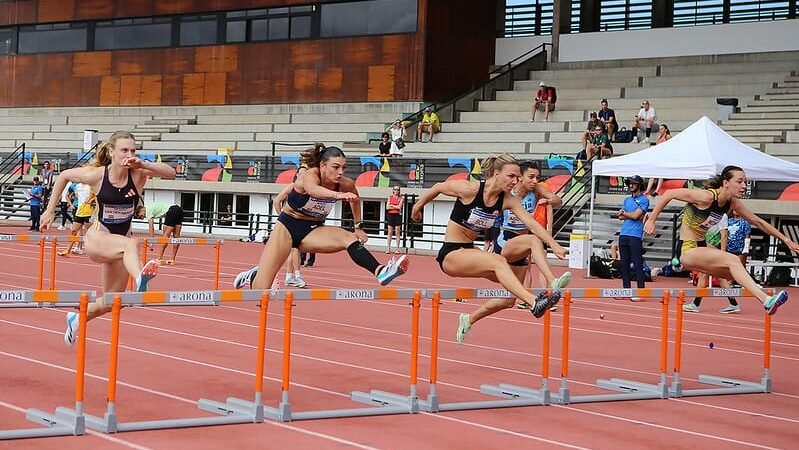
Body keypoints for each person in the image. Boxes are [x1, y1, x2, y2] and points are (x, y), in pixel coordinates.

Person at [410, 154, 567, 345]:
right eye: (511, 176)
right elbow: (438, 188)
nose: (515, 181)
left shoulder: (508, 200)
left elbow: (532, 224)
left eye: (518, 177)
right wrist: (416, 208)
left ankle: (468, 319)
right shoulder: (470, 189)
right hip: (451, 253)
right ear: (496, 173)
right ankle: (535, 302)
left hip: (471, 251)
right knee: (498, 261)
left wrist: (554, 244)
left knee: (510, 297)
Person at [40, 131, 176, 347]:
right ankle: (140, 278)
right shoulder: (97, 175)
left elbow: (171, 173)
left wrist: (144, 163)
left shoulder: (139, 173)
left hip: (121, 245)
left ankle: (77, 319)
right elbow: (64, 175)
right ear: (112, 152)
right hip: (98, 238)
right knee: (131, 244)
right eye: (124, 150)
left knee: (114, 301)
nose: (129, 154)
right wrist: (50, 210)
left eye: (133, 150)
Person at [233, 144, 409, 290]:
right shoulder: (310, 175)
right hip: (287, 227)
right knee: (260, 290)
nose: (340, 172)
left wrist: (358, 226)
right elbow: (313, 190)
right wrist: (337, 196)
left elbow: (356, 201)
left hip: (313, 230)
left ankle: (381, 271)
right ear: (323, 166)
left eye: (343, 167)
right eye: (335, 167)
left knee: (348, 238)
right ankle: (254, 275)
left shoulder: (345, 184)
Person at [645, 165, 798, 315]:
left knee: (732, 274)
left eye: (745, 182)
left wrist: (787, 240)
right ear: (726, 183)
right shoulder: (706, 197)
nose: (744, 186)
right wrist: (652, 220)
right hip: (687, 248)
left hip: (701, 247)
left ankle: (731, 302)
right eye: (739, 181)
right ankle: (766, 301)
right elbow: (669, 194)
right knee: (733, 260)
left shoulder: (732, 203)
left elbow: (759, 222)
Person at [490, 161, 571, 310]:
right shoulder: (509, 191)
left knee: (508, 300)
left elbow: (559, 200)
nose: (535, 181)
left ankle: (469, 319)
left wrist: (550, 200)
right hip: (506, 241)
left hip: (523, 243)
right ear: (520, 177)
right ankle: (553, 281)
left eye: (537, 178)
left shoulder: (536, 190)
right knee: (534, 241)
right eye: (531, 177)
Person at [615, 175, 650, 302]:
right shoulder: (627, 200)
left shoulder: (644, 200)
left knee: (637, 264)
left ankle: (641, 292)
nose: (630, 185)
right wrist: (628, 215)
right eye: (629, 183)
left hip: (635, 235)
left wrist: (626, 214)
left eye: (633, 183)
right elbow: (620, 216)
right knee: (623, 264)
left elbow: (635, 216)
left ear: (639, 185)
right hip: (624, 234)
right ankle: (626, 290)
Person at [272, 181, 307, 287]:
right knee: (296, 249)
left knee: (294, 250)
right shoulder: (292, 187)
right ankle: (297, 276)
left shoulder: (309, 188)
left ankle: (289, 277)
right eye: (301, 173)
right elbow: (277, 200)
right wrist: (281, 217)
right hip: (291, 222)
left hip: (300, 222)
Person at [57, 185, 95, 257]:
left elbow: (97, 194)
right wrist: (71, 203)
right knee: (73, 231)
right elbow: (68, 194)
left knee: (91, 232)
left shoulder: (91, 185)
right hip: (79, 211)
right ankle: (67, 250)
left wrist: (92, 200)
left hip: (89, 211)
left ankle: (97, 250)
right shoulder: (76, 185)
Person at [645, 124, 672, 196]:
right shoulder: (659, 137)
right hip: (659, 157)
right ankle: (647, 190)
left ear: (666, 130)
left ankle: (657, 190)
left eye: (662, 129)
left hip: (665, 157)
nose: (660, 130)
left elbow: (671, 147)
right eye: (660, 129)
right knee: (652, 173)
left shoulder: (668, 136)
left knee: (660, 173)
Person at [386, 185, 403, 254]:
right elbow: (387, 207)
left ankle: (397, 249)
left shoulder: (401, 198)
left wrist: (392, 206)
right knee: (390, 232)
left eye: (398, 190)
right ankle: (388, 248)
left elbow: (399, 207)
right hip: (390, 215)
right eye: (395, 189)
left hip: (397, 216)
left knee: (397, 232)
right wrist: (395, 207)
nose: (396, 191)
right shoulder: (390, 197)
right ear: (393, 190)